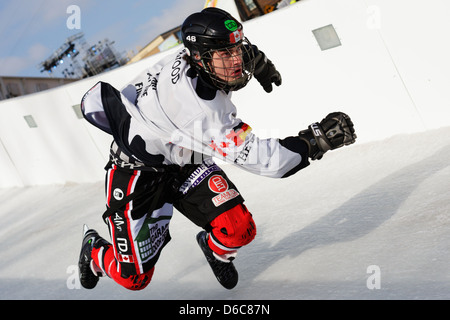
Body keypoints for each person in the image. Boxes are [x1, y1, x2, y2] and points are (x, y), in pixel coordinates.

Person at [78, 7, 356, 291]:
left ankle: (215, 250)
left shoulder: (190, 57)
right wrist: (316, 139)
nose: (237, 60)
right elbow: (269, 162)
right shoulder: (202, 113)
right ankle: (95, 253)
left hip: (184, 157)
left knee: (238, 230)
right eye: (226, 54)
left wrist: (256, 61)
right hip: (137, 174)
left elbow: (225, 53)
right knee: (133, 278)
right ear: (200, 57)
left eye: (238, 49)